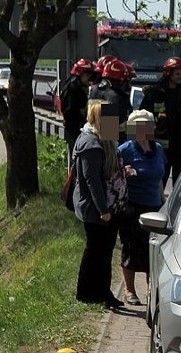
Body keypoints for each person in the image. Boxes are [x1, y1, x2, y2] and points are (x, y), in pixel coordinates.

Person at [72, 100, 126, 309]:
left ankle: (95, 292)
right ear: (99, 120)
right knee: (97, 251)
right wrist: (103, 210)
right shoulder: (91, 143)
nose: (116, 124)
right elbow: (91, 180)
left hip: (107, 206)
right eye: (111, 119)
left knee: (102, 250)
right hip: (96, 209)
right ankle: (93, 292)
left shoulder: (105, 140)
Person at [118, 110, 167, 305]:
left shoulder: (159, 150)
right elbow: (111, 170)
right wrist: (124, 172)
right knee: (130, 248)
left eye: (147, 125)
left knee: (152, 250)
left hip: (154, 207)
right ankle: (129, 290)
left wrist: (162, 198)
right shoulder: (125, 149)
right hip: (132, 207)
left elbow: (160, 176)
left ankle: (150, 289)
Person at [139, 57, 181, 189]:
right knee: (157, 184)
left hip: (180, 149)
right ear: (168, 73)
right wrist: (154, 132)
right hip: (159, 149)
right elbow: (140, 120)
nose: (180, 77)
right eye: (177, 74)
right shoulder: (154, 94)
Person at [60, 58, 95, 163]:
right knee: (76, 158)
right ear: (80, 74)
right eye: (87, 75)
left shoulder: (84, 88)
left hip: (80, 128)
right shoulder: (72, 89)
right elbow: (68, 112)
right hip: (74, 129)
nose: (89, 79)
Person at [89, 58, 132, 142]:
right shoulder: (112, 96)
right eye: (125, 80)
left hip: (92, 136)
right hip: (113, 142)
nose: (127, 84)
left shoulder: (95, 89)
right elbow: (109, 131)